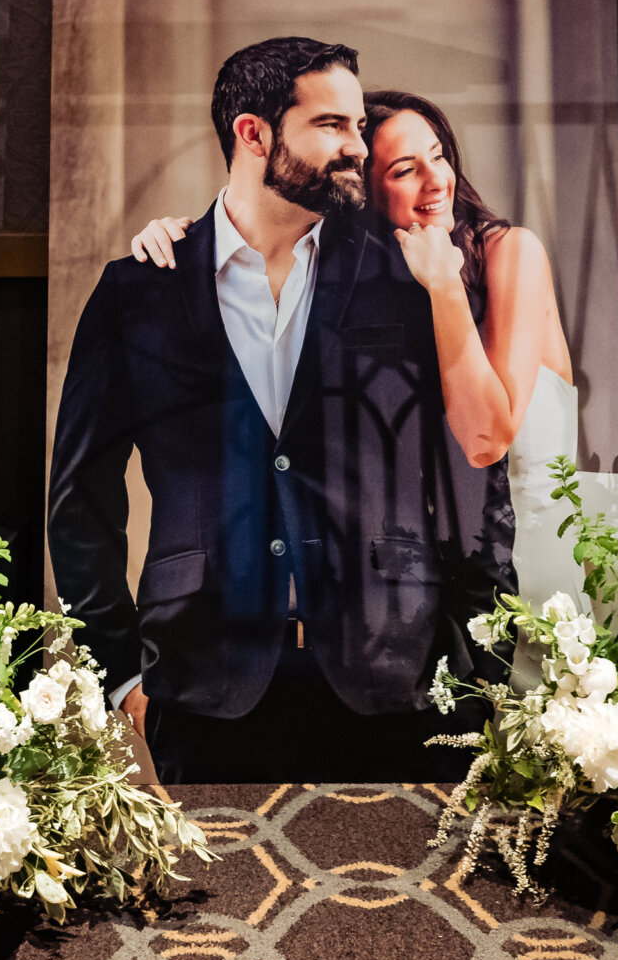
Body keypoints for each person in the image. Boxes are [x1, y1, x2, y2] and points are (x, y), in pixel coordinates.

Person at [49, 39, 514, 784]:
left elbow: (475, 482)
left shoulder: (409, 279)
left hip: (397, 685)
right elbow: (79, 502)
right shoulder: (140, 291)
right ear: (253, 132)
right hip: (201, 684)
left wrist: (480, 668)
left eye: (360, 127)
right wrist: (121, 672)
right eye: (333, 125)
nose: (356, 148)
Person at [130, 90, 586, 679]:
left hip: (541, 553)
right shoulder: (368, 283)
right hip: (440, 582)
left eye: (439, 155)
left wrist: (445, 286)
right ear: (361, 192)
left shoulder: (508, 253)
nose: (436, 180)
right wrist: (185, 239)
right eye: (403, 170)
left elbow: (486, 437)